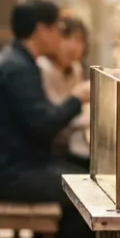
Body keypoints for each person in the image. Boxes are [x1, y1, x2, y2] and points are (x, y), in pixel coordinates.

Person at [0, 0, 95, 238]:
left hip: (15, 165)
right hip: (7, 173)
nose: (59, 35)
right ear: (42, 30)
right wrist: (76, 99)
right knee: (87, 190)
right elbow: (42, 125)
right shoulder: (18, 68)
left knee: (89, 176)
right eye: (56, 28)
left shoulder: (18, 61)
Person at [37, 15, 91, 169]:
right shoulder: (42, 67)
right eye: (67, 38)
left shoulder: (75, 68)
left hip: (67, 146)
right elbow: (54, 116)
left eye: (79, 40)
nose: (73, 46)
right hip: (47, 152)